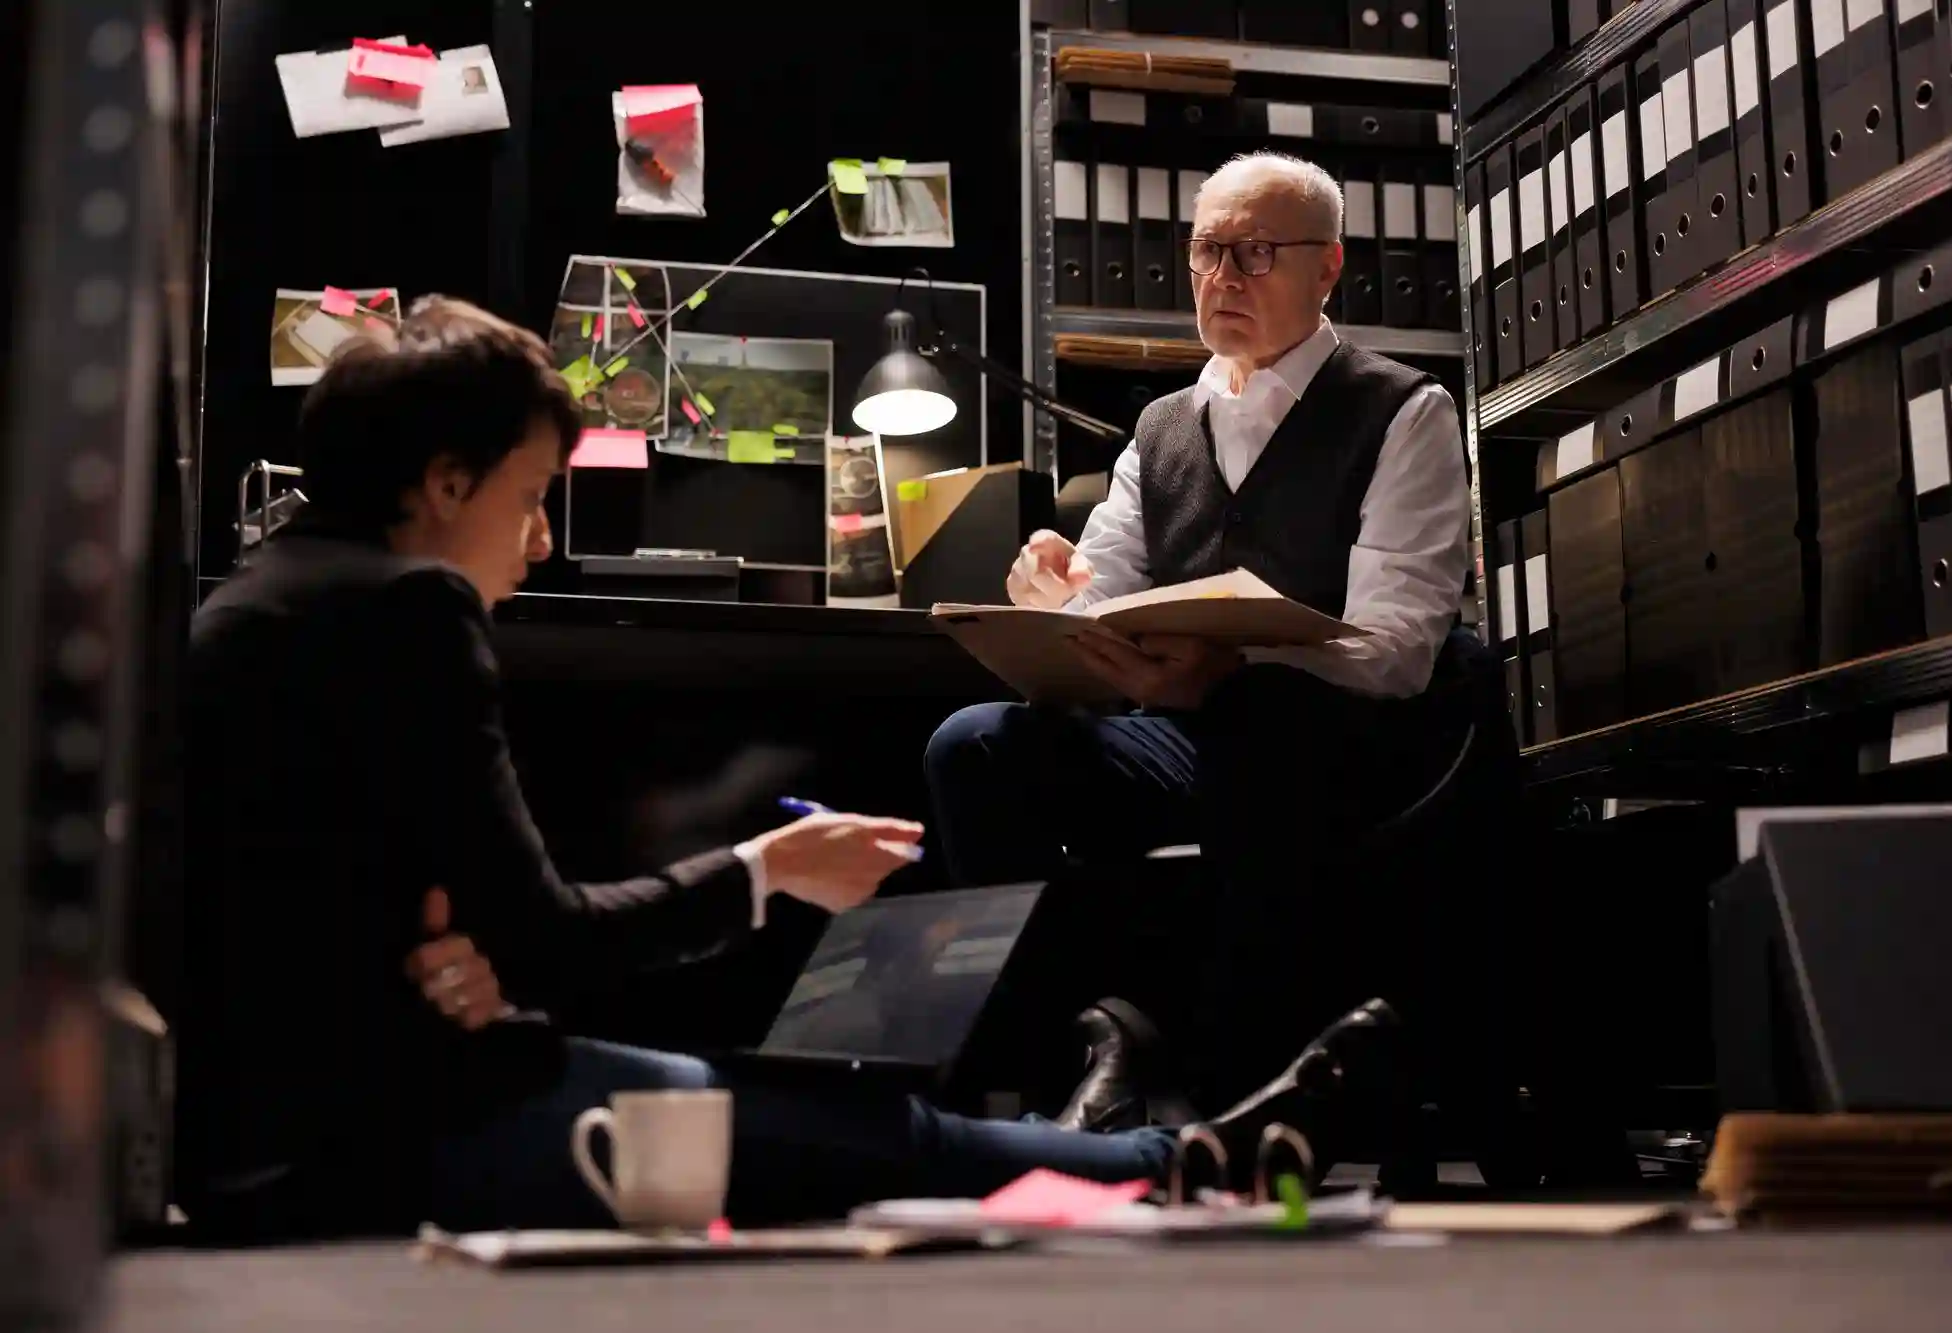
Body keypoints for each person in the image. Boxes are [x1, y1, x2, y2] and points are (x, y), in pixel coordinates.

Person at [177, 298, 1179, 1239]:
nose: (541, 540)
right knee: (864, 1132)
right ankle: (1186, 1159)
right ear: (444, 483)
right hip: (391, 1131)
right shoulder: (412, 610)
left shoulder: (247, 607)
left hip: (251, 1146)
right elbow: (547, 939)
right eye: (530, 497)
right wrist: (766, 868)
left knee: (828, 1121)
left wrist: (446, 959)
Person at [924, 152, 1480, 1122]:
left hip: (1344, 742)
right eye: (1206, 251)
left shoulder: (1402, 410)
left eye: (1255, 253)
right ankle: (1075, 1058)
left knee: (1255, 716)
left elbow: (1395, 646)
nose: (1222, 278)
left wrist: (1233, 668)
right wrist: (1055, 600)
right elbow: (1108, 593)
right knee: (974, 744)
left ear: (1327, 268)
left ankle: (1224, 1087)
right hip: (1188, 729)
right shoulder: (1159, 426)